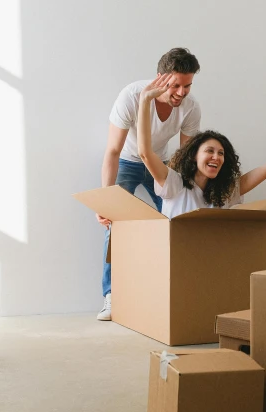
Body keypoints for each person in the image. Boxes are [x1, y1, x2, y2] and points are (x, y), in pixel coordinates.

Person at [137, 74, 266, 218]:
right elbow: (146, 153)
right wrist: (146, 101)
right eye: (209, 151)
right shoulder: (174, 184)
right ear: (193, 156)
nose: (216, 157)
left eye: (220, 153)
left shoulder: (227, 192)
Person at [97, 49, 202, 321]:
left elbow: (185, 159)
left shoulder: (191, 108)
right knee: (114, 225)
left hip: (162, 163)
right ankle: (111, 297)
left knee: (175, 223)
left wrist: (184, 200)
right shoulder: (131, 97)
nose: (181, 92)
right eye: (175, 85)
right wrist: (105, 201)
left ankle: (171, 293)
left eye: (187, 85)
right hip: (127, 162)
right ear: (159, 78)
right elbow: (111, 151)